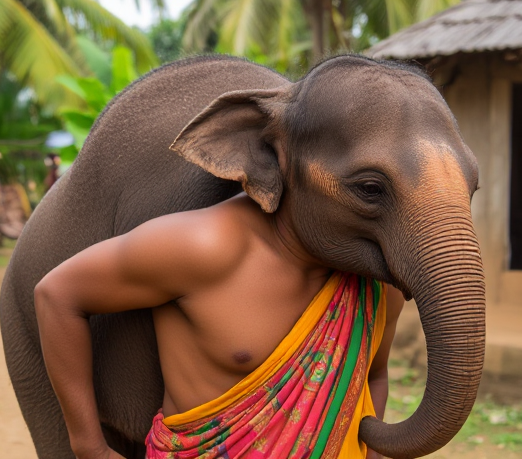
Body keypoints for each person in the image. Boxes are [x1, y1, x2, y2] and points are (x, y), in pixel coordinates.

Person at [35, 191, 405, 459]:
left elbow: (373, 375)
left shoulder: (376, 285)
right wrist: (90, 448)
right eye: (368, 189)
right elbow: (57, 295)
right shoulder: (203, 246)